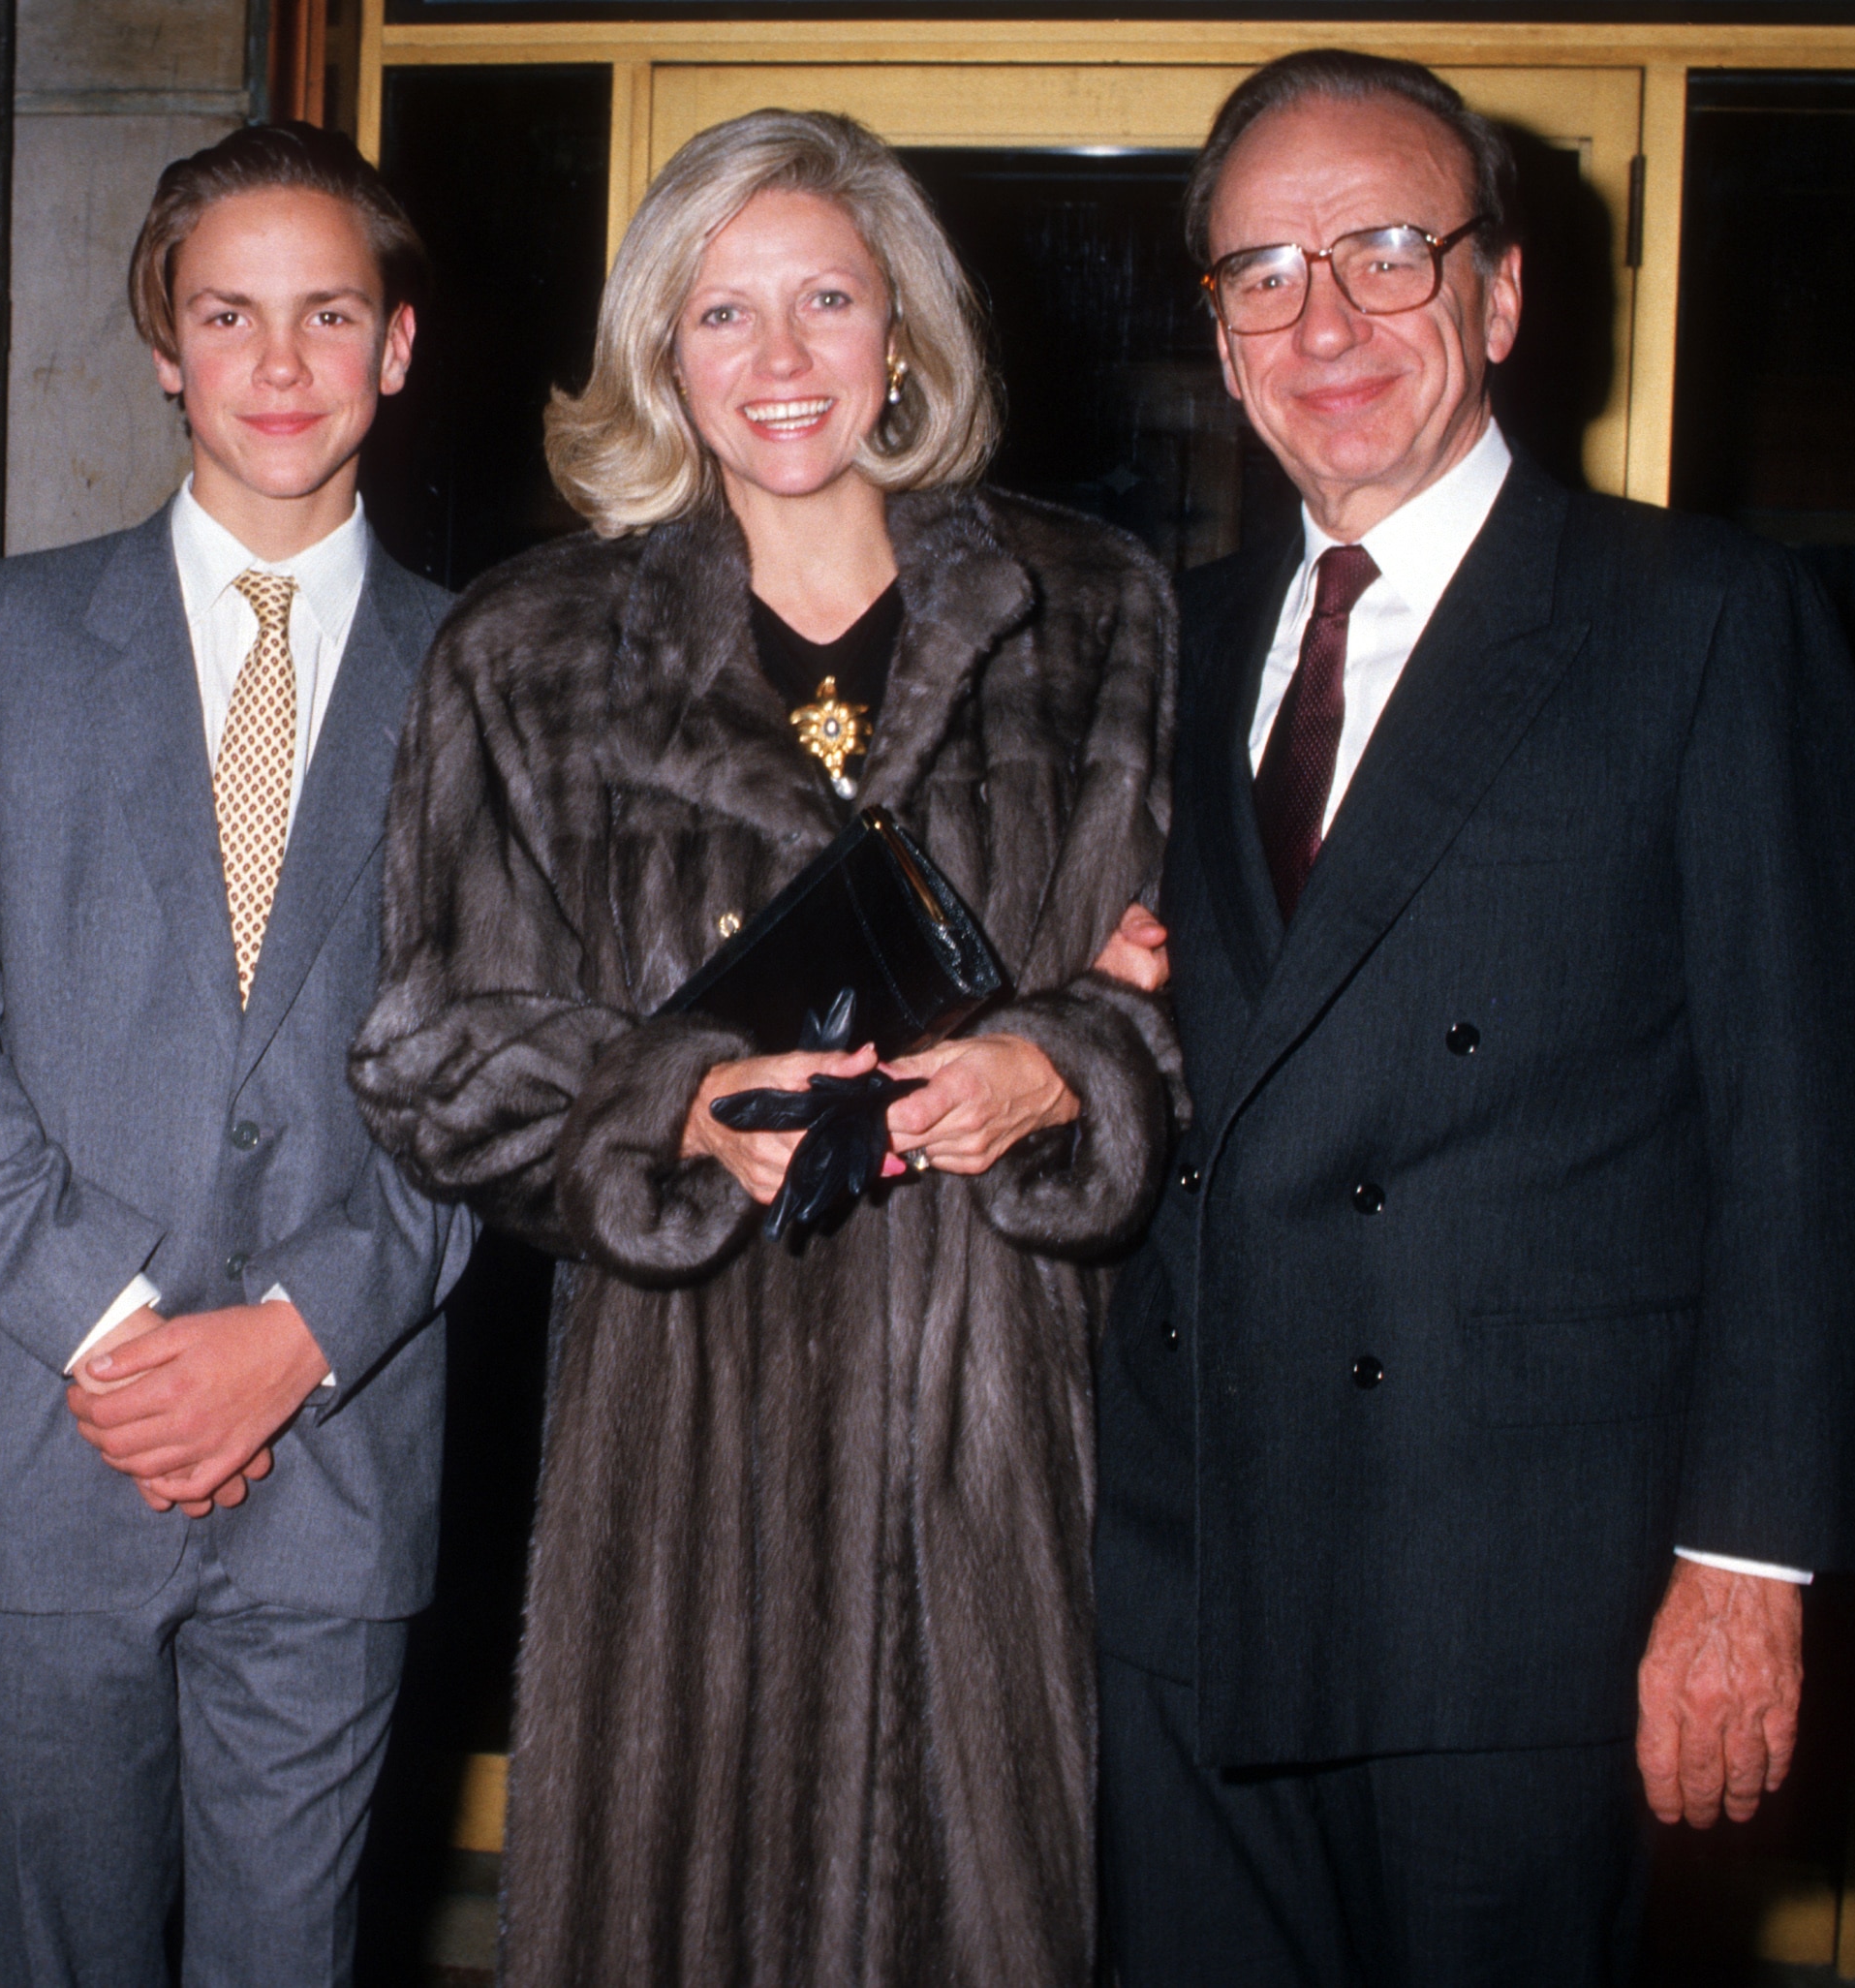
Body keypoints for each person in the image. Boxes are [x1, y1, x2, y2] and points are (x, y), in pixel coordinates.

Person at [353, 108, 1177, 1988]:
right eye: (725, 315)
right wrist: (664, 1106)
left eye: (827, 300)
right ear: (661, 350)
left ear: (905, 333)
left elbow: (1192, 991)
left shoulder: (1092, 618)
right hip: (682, 1430)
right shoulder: (532, 650)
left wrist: (1075, 1064)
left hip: (995, 1420)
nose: (781, 360)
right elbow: (428, 1044)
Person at [1095, 48, 1855, 1983]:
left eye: (1385, 249)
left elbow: (1805, 1135)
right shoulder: (1163, 643)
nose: (1327, 320)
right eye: (1261, 275)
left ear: (1504, 292)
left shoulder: (1698, 620)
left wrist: (1747, 1574)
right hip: (1186, 1573)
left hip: (1526, 1598)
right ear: (1217, 328)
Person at [0, 122, 469, 1988]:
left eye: (326, 314)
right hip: (48, 1449)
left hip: (338, 1455)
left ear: (397, 346)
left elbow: (500, 1077)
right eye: (227, 315)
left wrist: (297, 1336)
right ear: (161, 345)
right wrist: (119, 1335)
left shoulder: (490, 674)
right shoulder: (2, 638)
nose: (278, 365)